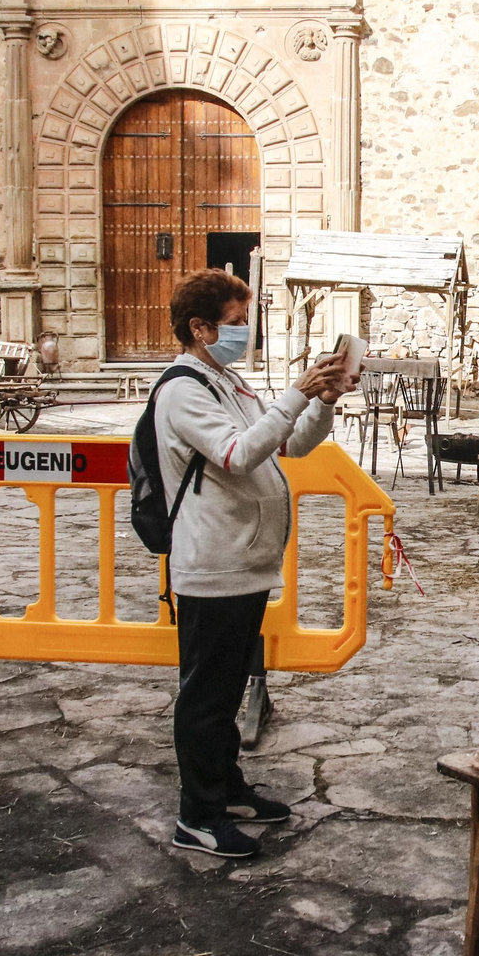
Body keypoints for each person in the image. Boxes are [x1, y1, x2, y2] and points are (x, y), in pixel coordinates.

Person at [157, 270, 354, 858]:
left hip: (244, 564)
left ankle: (228, 788)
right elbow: (238, 454)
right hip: (211, 564)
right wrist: (296, 391)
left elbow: (287, 444)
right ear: (200, 327)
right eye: (237, 324)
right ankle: (197, 814)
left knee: (229, 687)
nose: (246, 333)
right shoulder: (183, 389)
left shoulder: (229, 383)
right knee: (207, 697)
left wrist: (321, 402)